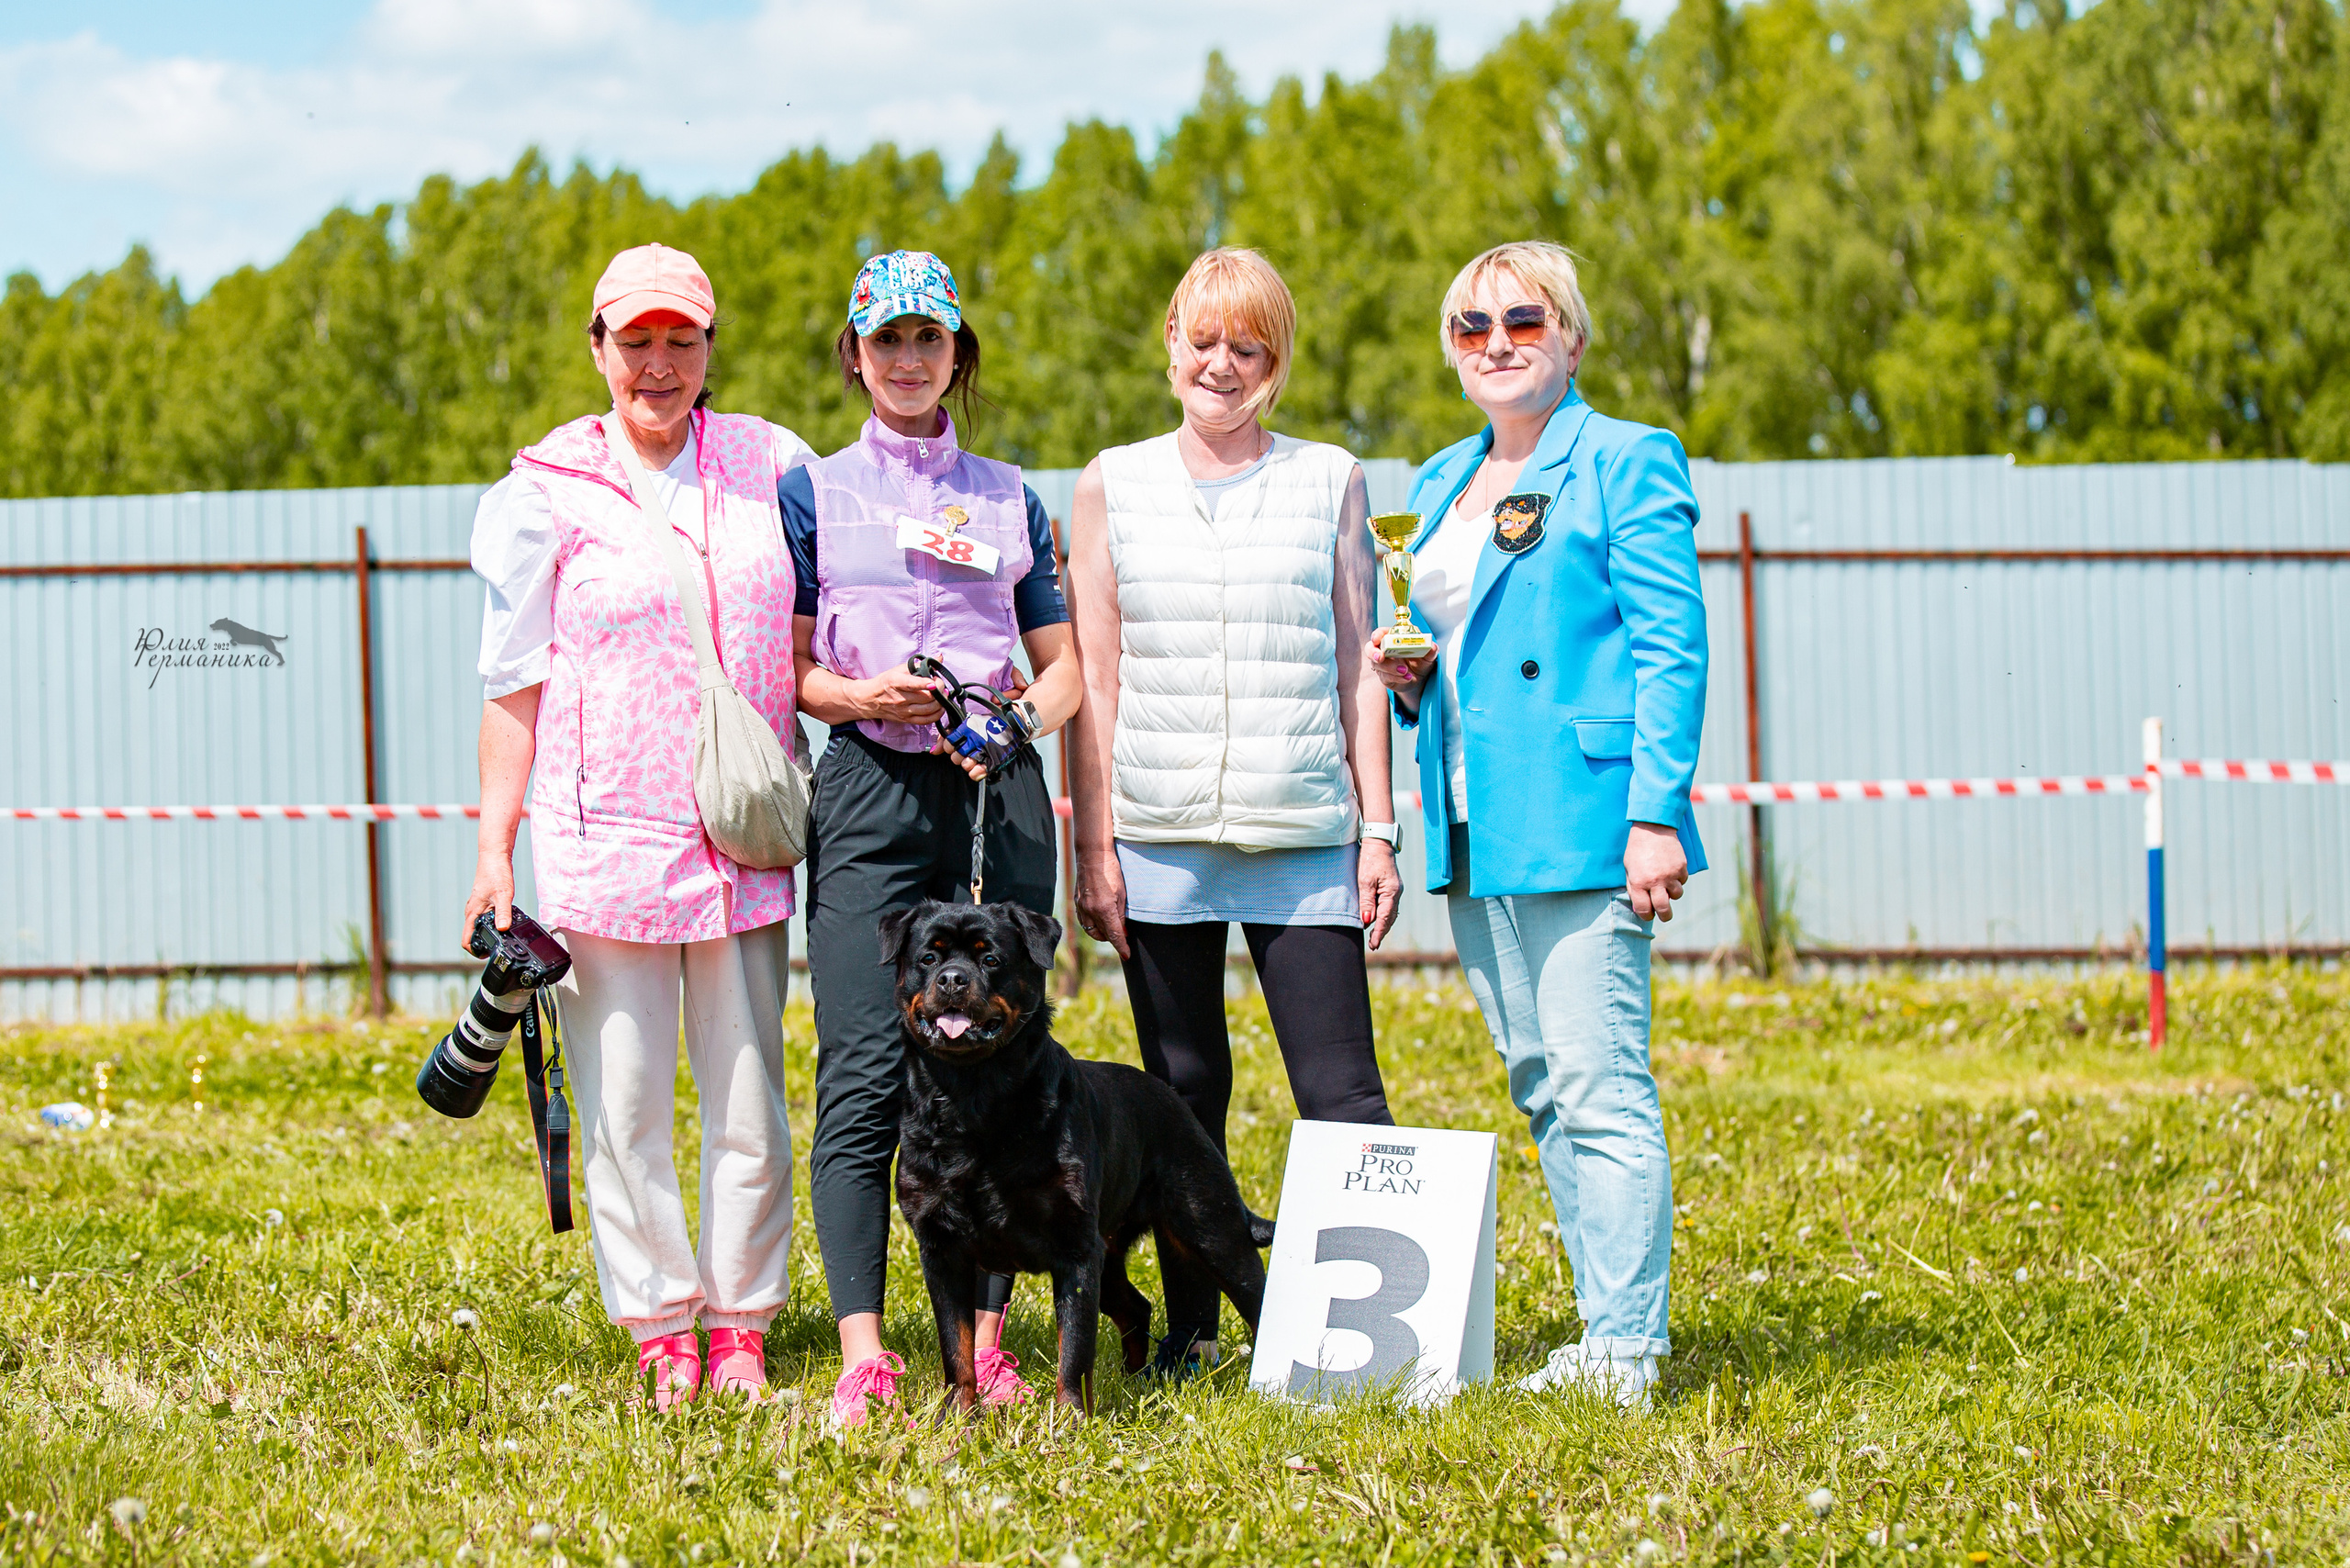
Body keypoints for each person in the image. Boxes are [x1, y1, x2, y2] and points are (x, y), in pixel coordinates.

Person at [464, 242, 815, 1410]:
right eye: (636, 340)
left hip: (739, 836)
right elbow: (512, 679)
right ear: (599, 348)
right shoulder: (543, 488)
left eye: (682, 340)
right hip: (599, 837)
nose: (658, 364)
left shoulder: (776, 463)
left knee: (751, 1095)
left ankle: (742, 1322)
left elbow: (839, 621)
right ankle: (662, 1321)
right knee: (622, 1103)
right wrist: (490, 848)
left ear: (710, 348)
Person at [1369, 241, 1707, 1409]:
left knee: (1600, 1077)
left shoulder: (1625, 460)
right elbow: (1453, 648)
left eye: (1524, 318)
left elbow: (1672, 649)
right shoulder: (1441, 475)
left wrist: (1655, 814)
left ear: (1570, 335)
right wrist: (1406, 675)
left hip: (1584, 815)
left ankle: (1624, 1347)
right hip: (1473, 817)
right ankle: (1603, 1327)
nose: (1497, 341)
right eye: (1471, 326)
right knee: (1541, 1082)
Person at [1066, 247, 1401, 1377]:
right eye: (1203, 341)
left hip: (1305, 833)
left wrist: (1378, 827)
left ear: (1277, 363)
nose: (1222, 365)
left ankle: (1370, 1348)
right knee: (1181, 1096)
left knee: (1340, 1089)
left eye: (1247, 347)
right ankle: (1198, 1336)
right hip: (1157, 837)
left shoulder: (1332, 477)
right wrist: (1093, 843)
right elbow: (1097, 678)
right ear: (1169, 344)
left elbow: (1363, 662)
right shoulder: (1109, 480)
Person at [787, 250, 1084, 1427]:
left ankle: (995, 1343)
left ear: (959, 353)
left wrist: (1011, 722)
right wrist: (861, 700)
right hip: (871, 793)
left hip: (995, 788)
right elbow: (792, 670)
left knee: (1007, 1070)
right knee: (863, 1069)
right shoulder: (809, 491)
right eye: (885, 339)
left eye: (930, 339)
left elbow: (1066, 675)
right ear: (854, 354)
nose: (908, 360)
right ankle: (868, 1345)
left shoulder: (1014, 493)